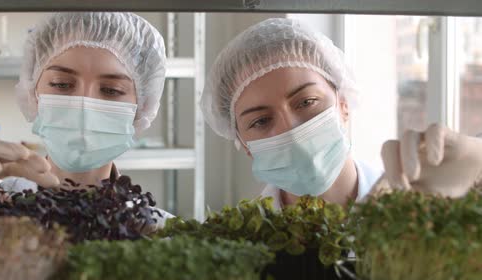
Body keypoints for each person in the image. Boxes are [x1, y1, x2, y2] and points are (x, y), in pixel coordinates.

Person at [0, 12, 168, 217]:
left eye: (111, 90)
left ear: (141, 107)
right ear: (32, 93)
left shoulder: (160, 231)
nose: (84, 105)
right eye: (61, 84)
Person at [200, 18, 482, 208]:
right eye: (261, 121)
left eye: (306, 101)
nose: (291, 131)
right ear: (245, 144)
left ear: (343, 103)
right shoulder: (242, 245)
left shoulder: (414, 199)